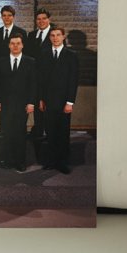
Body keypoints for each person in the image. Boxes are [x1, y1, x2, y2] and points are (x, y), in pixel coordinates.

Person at [0, 33, 36, 173]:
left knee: (20, 133)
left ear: (22, 45)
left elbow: (33, 84)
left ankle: (20, 161)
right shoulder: (1, 61)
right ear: (9, 45)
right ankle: (6, 159)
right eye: (12, 43)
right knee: (6, 132)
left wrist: (31, 102)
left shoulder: (30, 61)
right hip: (5, 104)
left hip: (22, 104)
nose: (15, 46)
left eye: (18, 43)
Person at [39, 27, 79, 174]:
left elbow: (73, 80)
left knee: (62, 133)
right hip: (48, 101)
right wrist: (41, 99)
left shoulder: (71, 55)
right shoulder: (44, 54)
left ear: (63, 37)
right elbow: (41, 80)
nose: (55, 38)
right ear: (49, 38)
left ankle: (62, 162)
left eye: (58, 35)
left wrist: (70, 102)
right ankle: (51, 161)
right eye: (52, 35)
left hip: (64, 102)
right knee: (50, 132)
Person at [26, 8, 54, 140]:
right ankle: (38, 129)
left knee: (49, 105)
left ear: (49, 20)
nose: (41, 21)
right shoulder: (32, 35)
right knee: (37, 104)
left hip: (49, 78)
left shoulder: (55, 35)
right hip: (35, 77)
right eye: (38, 19)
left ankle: (49, 131)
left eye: (44, 18)